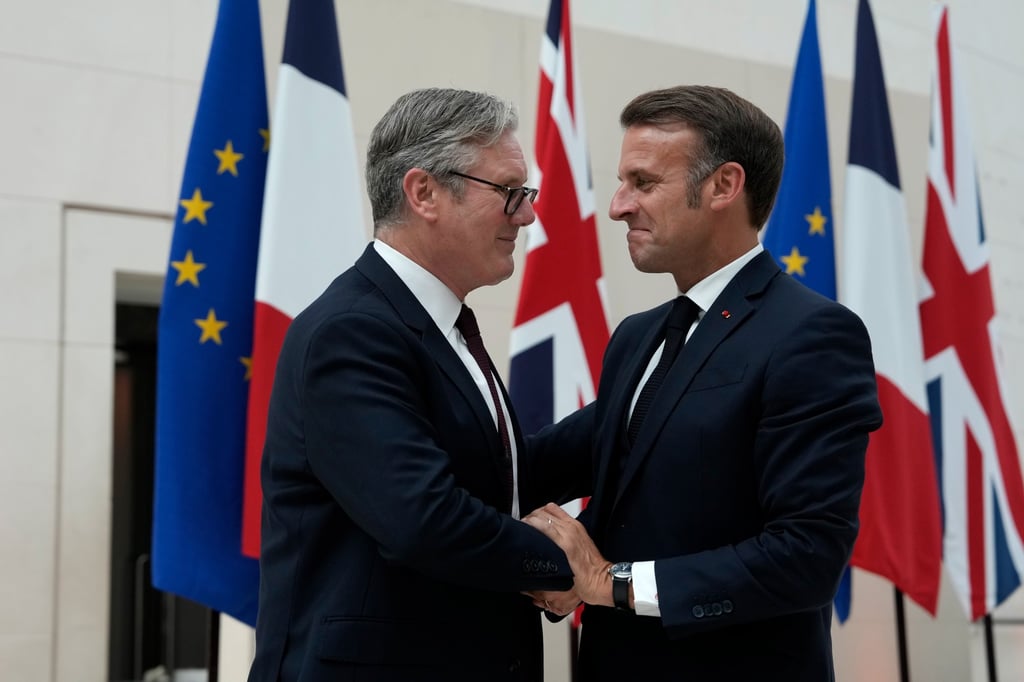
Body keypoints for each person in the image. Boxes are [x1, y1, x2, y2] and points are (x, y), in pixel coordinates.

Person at [524, 85, 883, 681]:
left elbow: (805, 557)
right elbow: (555, 471)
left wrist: (609, 583)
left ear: (723, 186)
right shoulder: (637, 338)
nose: (617, 206)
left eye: (643, 182)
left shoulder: (812, 334)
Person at [248, 88, 587, 682]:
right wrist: (565, 565)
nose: (528, 215)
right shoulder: (353, 330)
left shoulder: (442, 322)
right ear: (424, 192)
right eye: (510, 192)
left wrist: (646, 404)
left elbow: (501, 475)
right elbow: (423, 518)